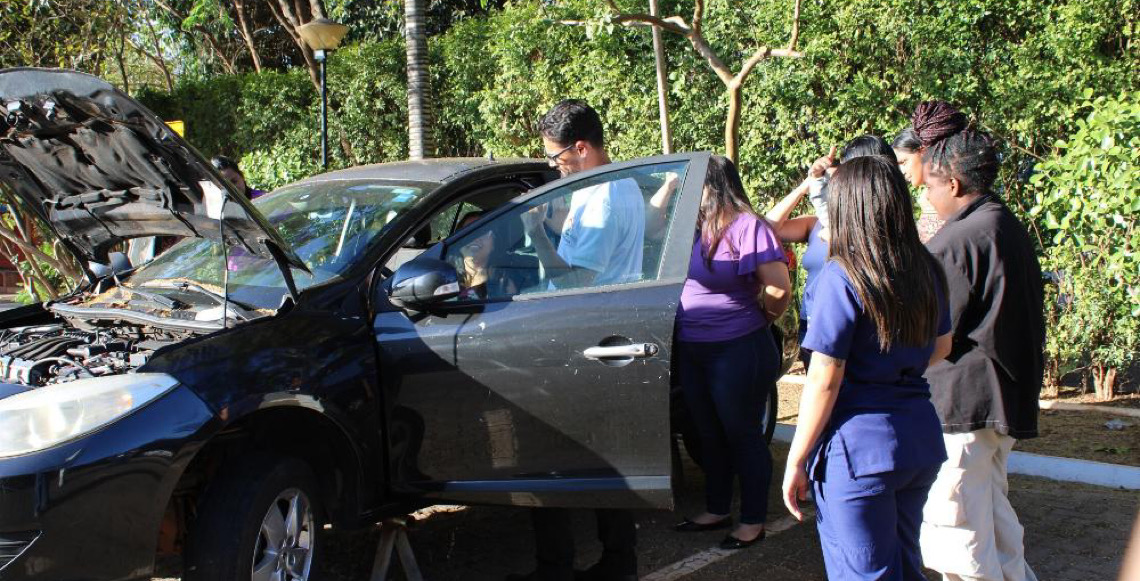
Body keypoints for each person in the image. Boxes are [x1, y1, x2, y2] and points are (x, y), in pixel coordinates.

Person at [782, 155, 953, 580]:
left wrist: (796, 459)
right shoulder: (926, 268)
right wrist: (895, 363)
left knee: (864, 572)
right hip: (917, 438)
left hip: (858, 447)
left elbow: (824, 379)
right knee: (906, 565)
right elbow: (943, 345)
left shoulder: (842, 276)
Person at [508, 99, 642, 581]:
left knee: (550, 456)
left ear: (581, 147)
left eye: (556, 156)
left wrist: (536, 234)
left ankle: (559, 567)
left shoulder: (601, 198)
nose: (554, 166)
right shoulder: (619, 184)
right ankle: (617, 561)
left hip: (584, 334)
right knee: (606, 459)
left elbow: (575, 280)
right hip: (603, 330)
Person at [914, 101, 1046, 581]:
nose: (926, 195)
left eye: (929, 186)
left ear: (953, 184)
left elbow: (934, 330)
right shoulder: (1001, 221)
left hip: (964, 403)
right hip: (997, 397)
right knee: (991, 513)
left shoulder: (959, 240)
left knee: (958, 530)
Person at [672, 155, 791, 549]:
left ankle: (753, 520)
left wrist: (759, 318)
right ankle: (717, 508)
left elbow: (779, 289)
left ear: (712, 186)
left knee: (742, 434)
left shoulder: (748, 227)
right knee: (707, 433)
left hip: (738, 349)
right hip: (694, 347)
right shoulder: (692, 228)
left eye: (692, 184)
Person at [766, 136, 897, 369]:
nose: (832, 186)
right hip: (812, 325)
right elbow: (767, 227)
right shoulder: (815, 224)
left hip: (853, 325)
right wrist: (807, 183)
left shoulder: (876, 229)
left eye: (839, 178)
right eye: (827, 181)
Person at [893, 106, 967, 243]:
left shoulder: (950, 189)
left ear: (922, 152)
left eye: (904, 162)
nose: (902, 171)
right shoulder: (928, 194)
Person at [454, 210, 517, 300]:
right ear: (458, 241)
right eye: (468, 232)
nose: (475, 238)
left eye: (483, 232)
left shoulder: (503, 282)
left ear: (494, 243)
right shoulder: (447, 274)